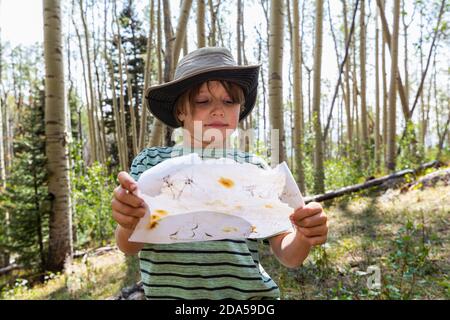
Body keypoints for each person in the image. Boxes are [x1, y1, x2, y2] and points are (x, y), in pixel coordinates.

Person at [111, 47, 328, 300]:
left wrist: (304, 235)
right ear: (180, 110)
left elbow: (288, 255)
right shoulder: (150, 164)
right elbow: (128, 246)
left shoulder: (254, 169)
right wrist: (128, 220)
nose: (218, 110)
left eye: (229, 100)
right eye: (203, 101)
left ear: (240, 107)